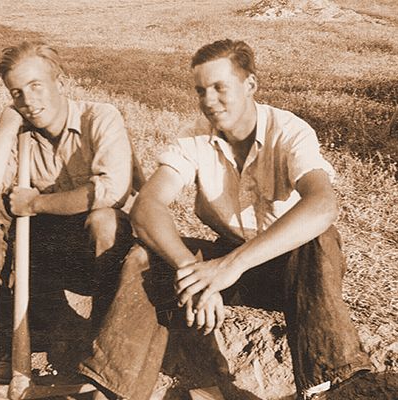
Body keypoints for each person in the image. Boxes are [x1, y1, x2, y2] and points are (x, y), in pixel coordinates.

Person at [78, 39, 372, 400]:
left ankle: (329, 385)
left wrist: (230, 267)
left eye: (220, 87)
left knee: (319, 239)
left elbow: (324, 205)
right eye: (201, 90)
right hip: (228, 258)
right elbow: (146, 209)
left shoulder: (289, 131)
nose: (209, 101)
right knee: (144, 258)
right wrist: (192, 270)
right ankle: (115, 391)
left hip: (292, 271)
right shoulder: (194, 139)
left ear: (250, 85)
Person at [0, 41, 136, 383]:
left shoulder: (100, 117)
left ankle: (102, 346)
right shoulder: (21, 133)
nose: (28, 100)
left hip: (104, 251)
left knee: (104, 220)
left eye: (36, 86)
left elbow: (111, 190)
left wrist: (36, 203)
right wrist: (7, 124)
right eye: (17, 92)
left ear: (61, 82)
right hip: (44, 251)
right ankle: (5, 335)